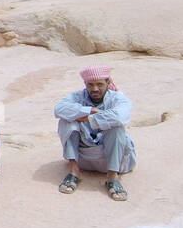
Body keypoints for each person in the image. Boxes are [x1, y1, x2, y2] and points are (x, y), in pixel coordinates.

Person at [55, 66, 135, 201]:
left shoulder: (117, 98)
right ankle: (74, 172)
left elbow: (120, 116)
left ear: (108, 83)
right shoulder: (78, 96)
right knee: (66, 121)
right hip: (84, 159)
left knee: (116, 127)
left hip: (113, 157)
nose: (95, 89)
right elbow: (59, 109)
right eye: (90, 85)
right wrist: (90, 110)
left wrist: (88, 118)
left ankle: (112, 177)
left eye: (100, 84)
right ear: (85, 84)